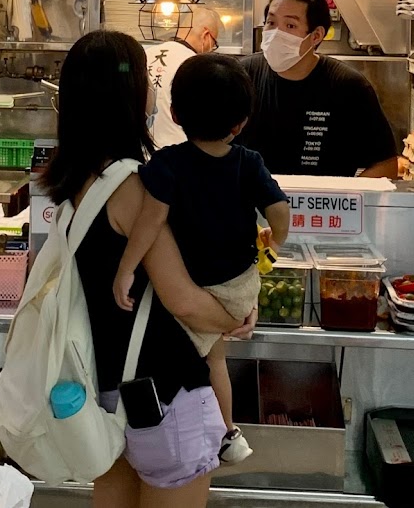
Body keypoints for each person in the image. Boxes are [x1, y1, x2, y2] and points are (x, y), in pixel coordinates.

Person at [42, 30, 256, 508]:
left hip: (108, 390)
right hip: (165, 393)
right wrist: (234, 319)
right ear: (133, 96)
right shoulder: (137, 187)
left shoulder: (73, 182)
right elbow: (181, 298)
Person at [112, 53, 290, 465]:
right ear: (241, 122)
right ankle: (227, 432)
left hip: (197, 288)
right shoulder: (249, 163)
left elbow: (150, 223)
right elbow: (280, 212)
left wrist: (125, 268)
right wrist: (273, 242)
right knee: (216, 359)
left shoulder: (167, 165)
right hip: (241, 285)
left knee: (199, 361)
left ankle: (211, 433)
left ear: (174, 113)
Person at [238, 0, 399, 178]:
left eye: (290, 25)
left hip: (320, 207)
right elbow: (213, 146)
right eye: (271, 23)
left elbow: (386, 166)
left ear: (316, 36)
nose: (275, 34)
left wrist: (343, 200)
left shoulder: (348, 87)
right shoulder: (242, 76)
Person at [145, 6, 222, 148]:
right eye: (214, 43)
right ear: (206, 35)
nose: (212, 50)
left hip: (142, 151)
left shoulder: (147, 54)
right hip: (178, 154)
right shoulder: (196, 65)